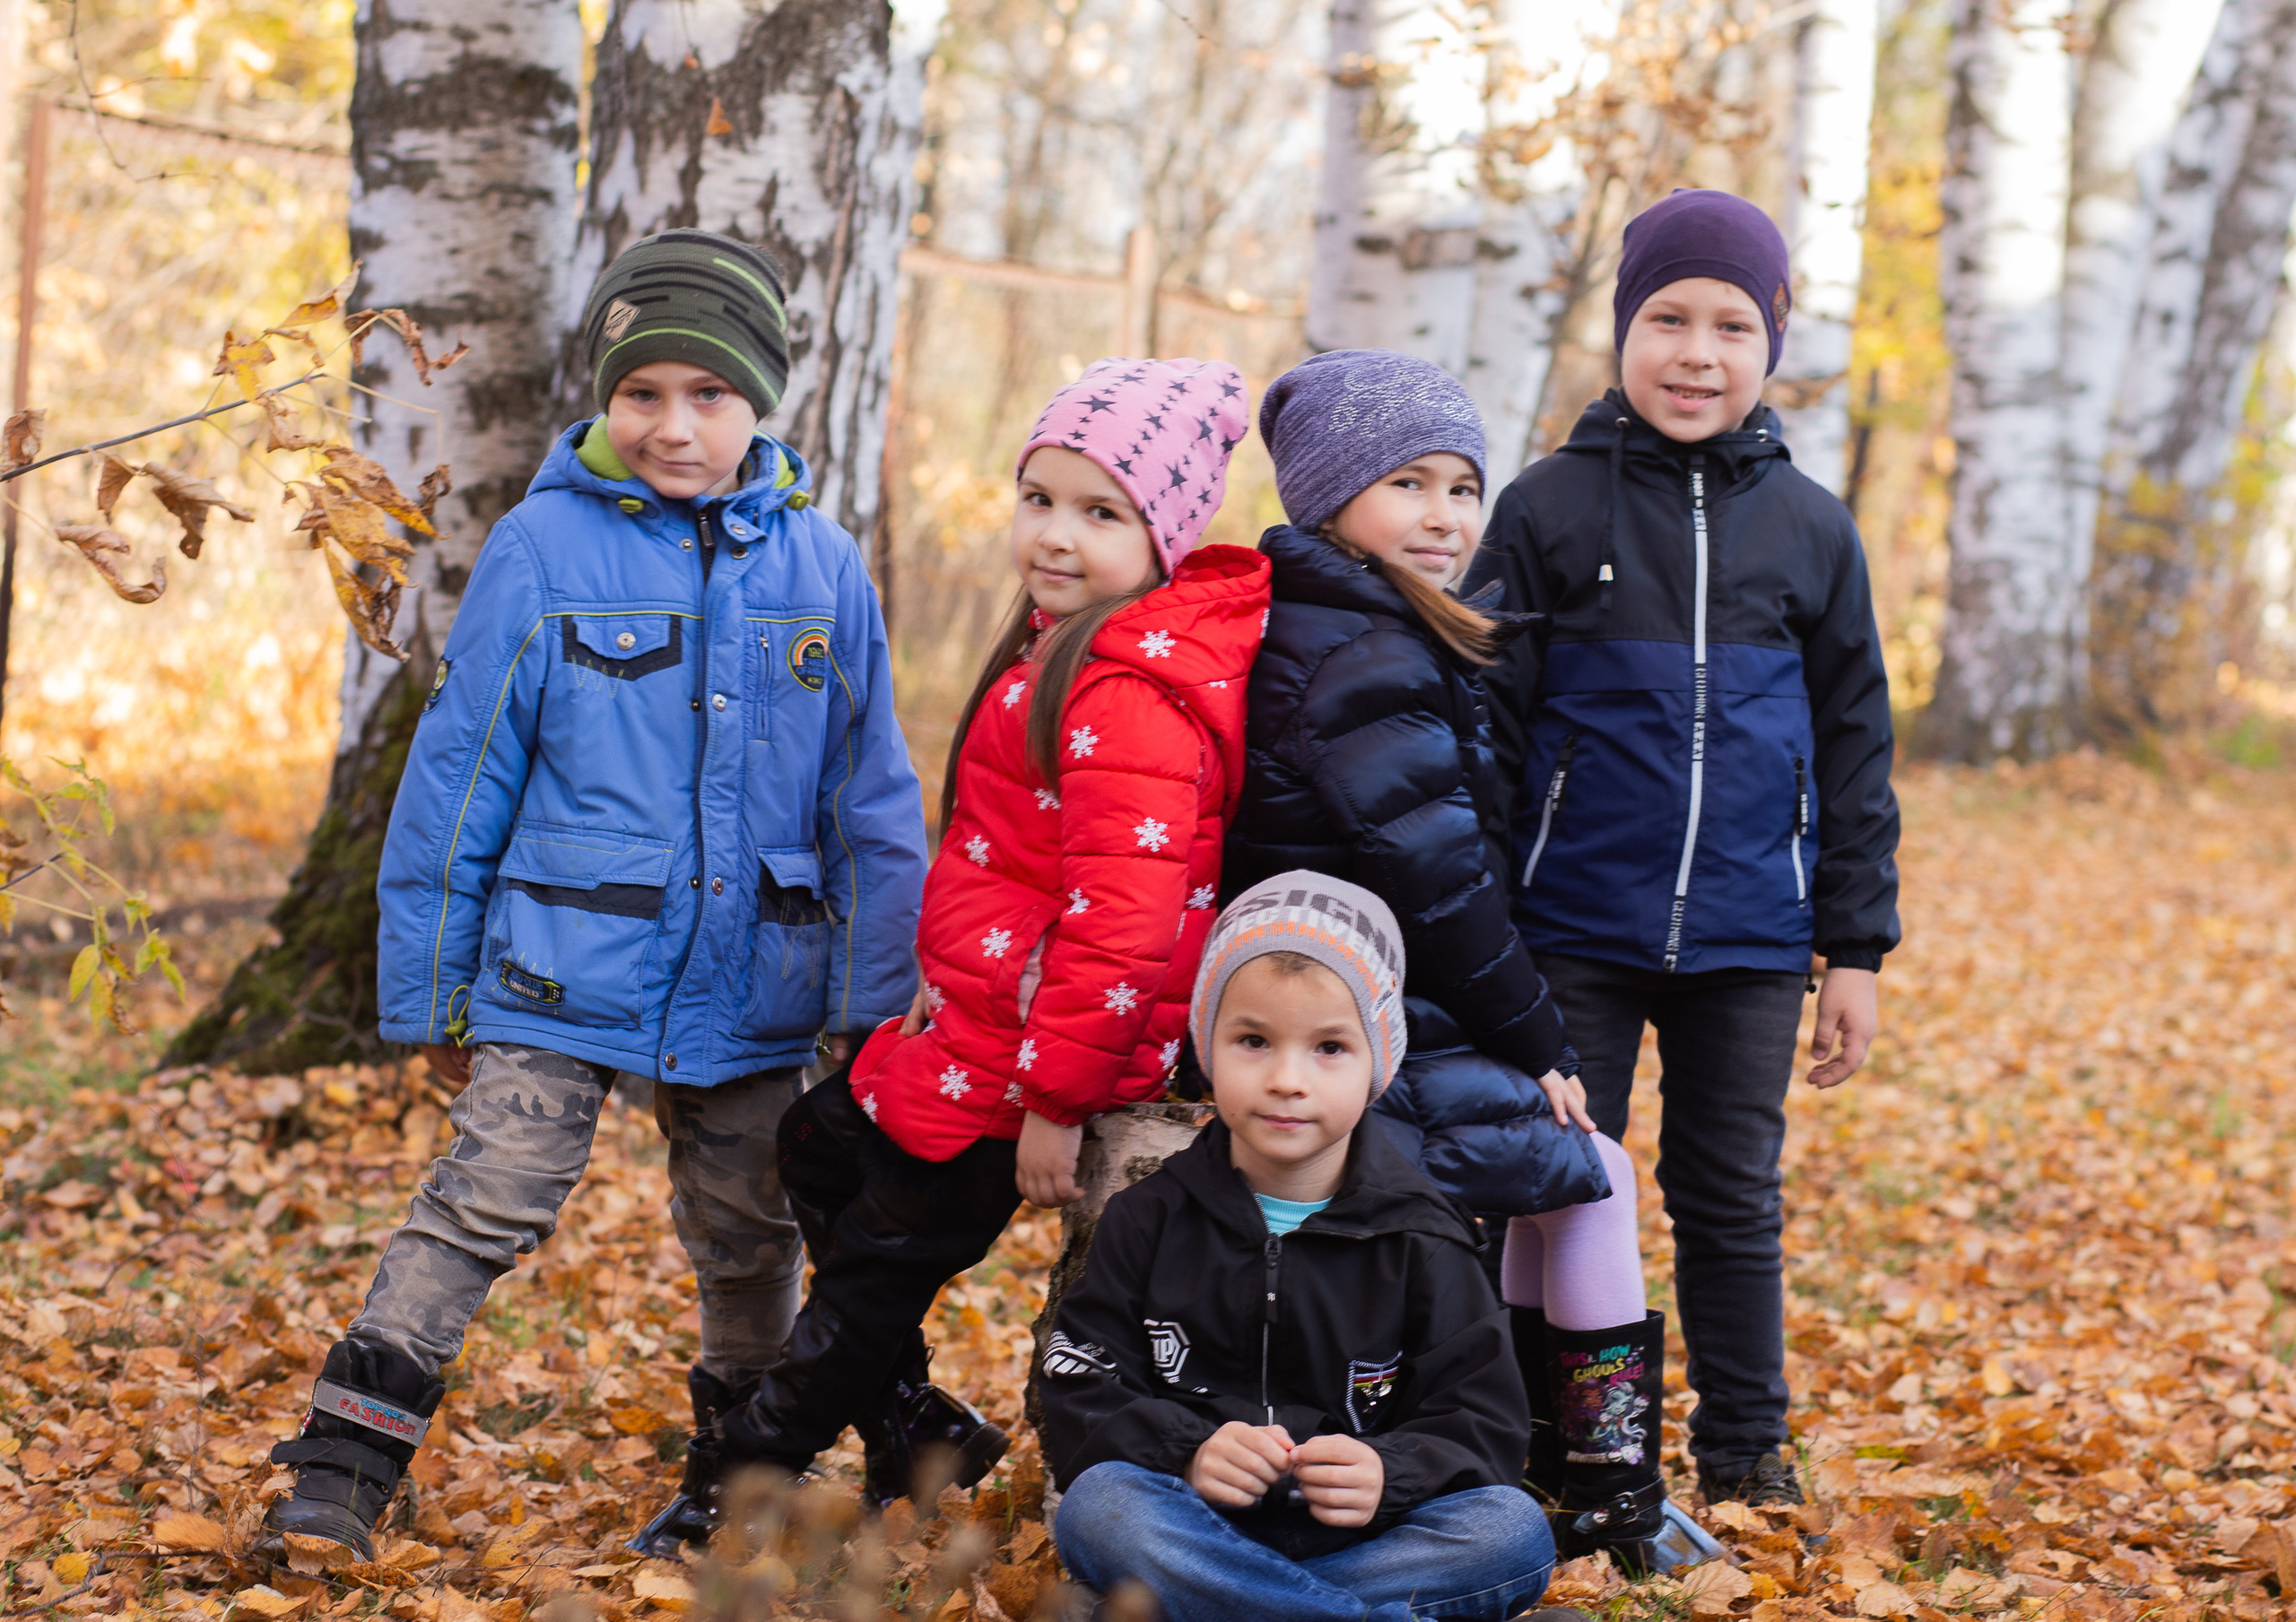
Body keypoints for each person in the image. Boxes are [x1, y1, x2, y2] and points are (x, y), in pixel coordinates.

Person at [256, 230, 928, 1564]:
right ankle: (339, 1468)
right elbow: (462, 769)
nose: (675, 425)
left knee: (751, 1230)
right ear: (608, 397)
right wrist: (435, 982)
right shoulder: (543, 546)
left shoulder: (824, 568)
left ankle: (737, 1480)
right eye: (644, 393)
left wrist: (874, 1000)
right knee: (485, 1195)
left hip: (759, 977)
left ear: (763, 400)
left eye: (710, 395)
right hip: (561, 964)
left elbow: (872, 795)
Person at [702, 358, 1271, 1519]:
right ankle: (915, 1428)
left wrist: (1060, 1101)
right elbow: (1004, 856)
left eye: (1100, 512)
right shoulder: (1054, 646)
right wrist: (938, 977)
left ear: (1162, 534)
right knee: (817, 1142)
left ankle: (738, 1479)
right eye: (1041, 499)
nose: (1056, 535)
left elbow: (1124, 927)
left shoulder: (1130, 694)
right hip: (984, 1019)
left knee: (873, 1273)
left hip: (1045, 1055)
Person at [1469, 188, 1902, 1506]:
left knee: (1730, 1198)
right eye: (1667, 319)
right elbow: (1486, 725)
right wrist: (1482, 930)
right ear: (1622, 329)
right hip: (1571, 931)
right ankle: (1532, 1447)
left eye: (1730, 323)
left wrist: (1857, 946)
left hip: (1751, 937)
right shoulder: (1546, 508)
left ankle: (1743, 1452)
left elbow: (1855, 744)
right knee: (1546, 1188)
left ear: (1772, 341)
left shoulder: (1814, 529)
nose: (1696, 353)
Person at [1225, 349, 1673, 1568]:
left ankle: (1546, 1458)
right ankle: (1609, 1493)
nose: (1446, 515)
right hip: (1361, 1024)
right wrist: (1540, 1040)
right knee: (1591, 1173)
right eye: (1408, 484)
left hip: (1379, 1005)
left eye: (1464, 487)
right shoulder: (1362, 654)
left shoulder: (1366, 626)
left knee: (1562, 1186)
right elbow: (1440, 879)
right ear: (1328, 500)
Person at [1043, 872, 1566, 1622]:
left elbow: (1484, 1421)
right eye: (1253, 1040)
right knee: (1100, 1508)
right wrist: (1189, 1447)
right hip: (1198, 1525)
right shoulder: (1148, 1217)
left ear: (1376, 1065)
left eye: (1329, 1047)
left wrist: (1390, 1469)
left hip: (1369, 1537)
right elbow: (1081, 1382)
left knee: (1510, 1533)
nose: (1287, 1079)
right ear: (1209, 1046)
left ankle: (1211, 1610)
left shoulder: (1424, 1233)